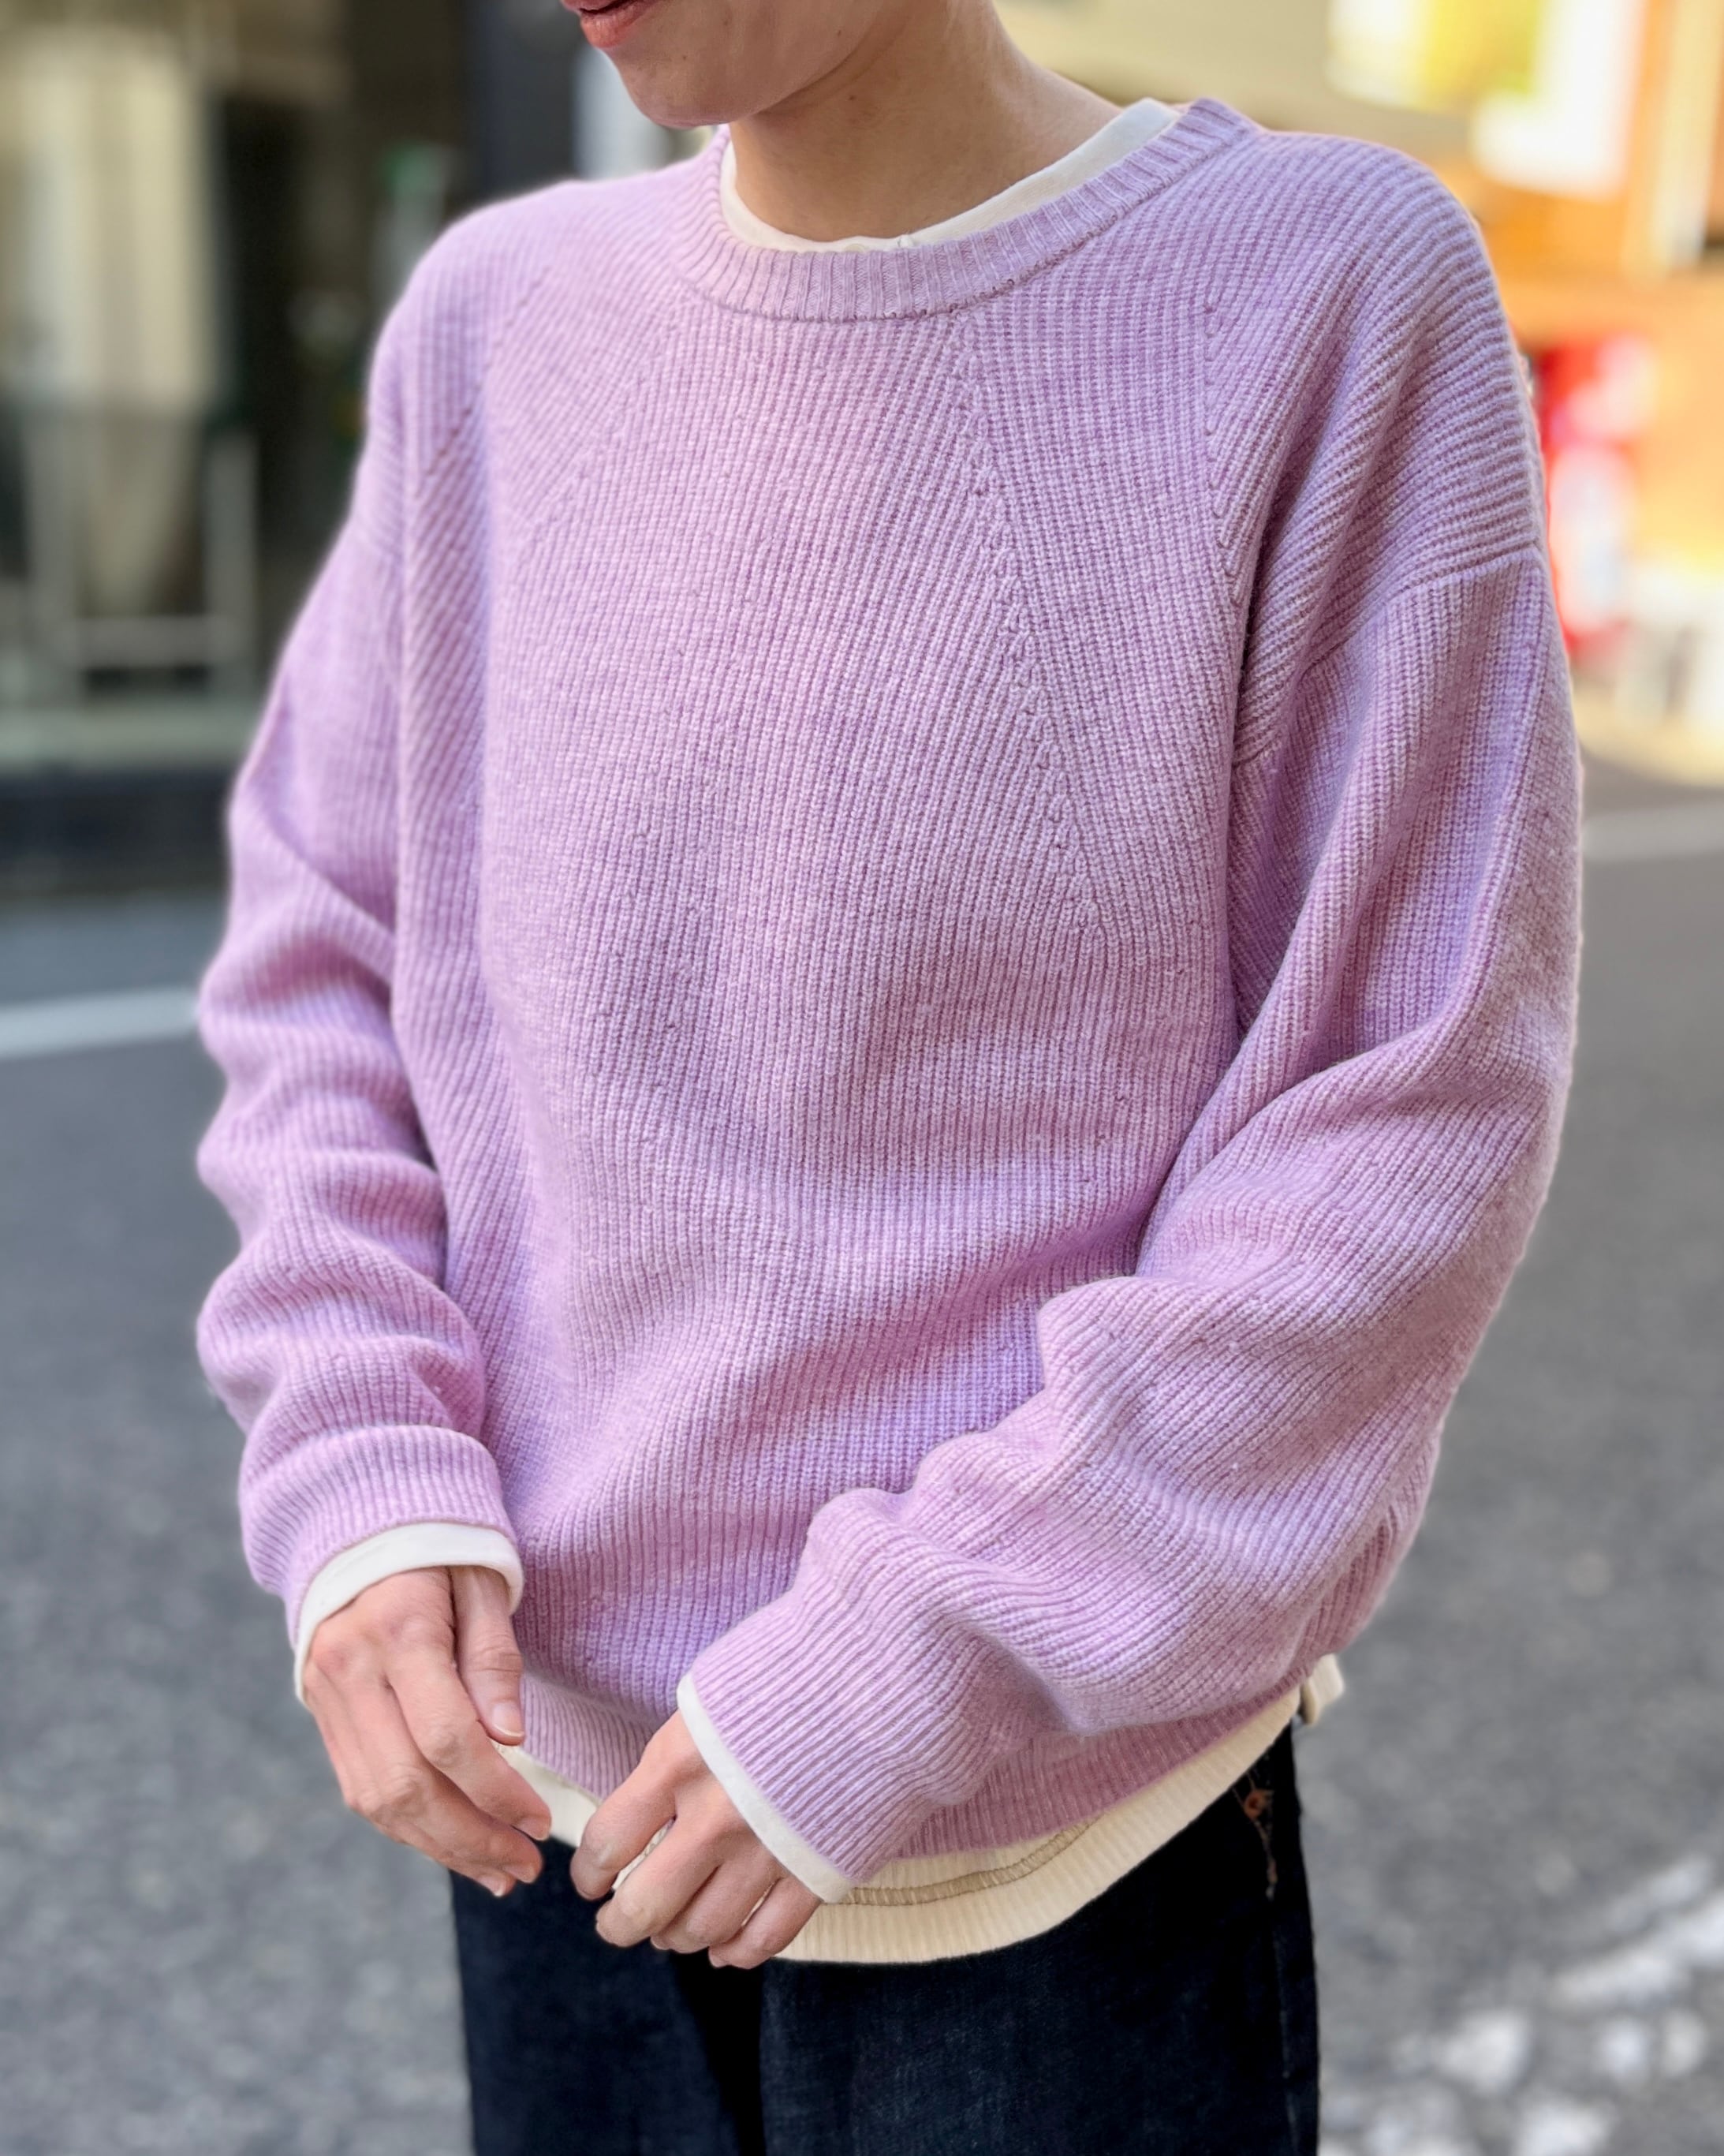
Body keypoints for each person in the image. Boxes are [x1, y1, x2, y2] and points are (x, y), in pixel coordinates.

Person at [192, 0, 1582, 2148]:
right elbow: (326, 953)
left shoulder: (1325, 293)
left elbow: (1405, 1106)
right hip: (555, 1808)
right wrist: (362, 1467)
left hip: (1058, 1851)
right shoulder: (491, 325)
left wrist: (914, 1658)